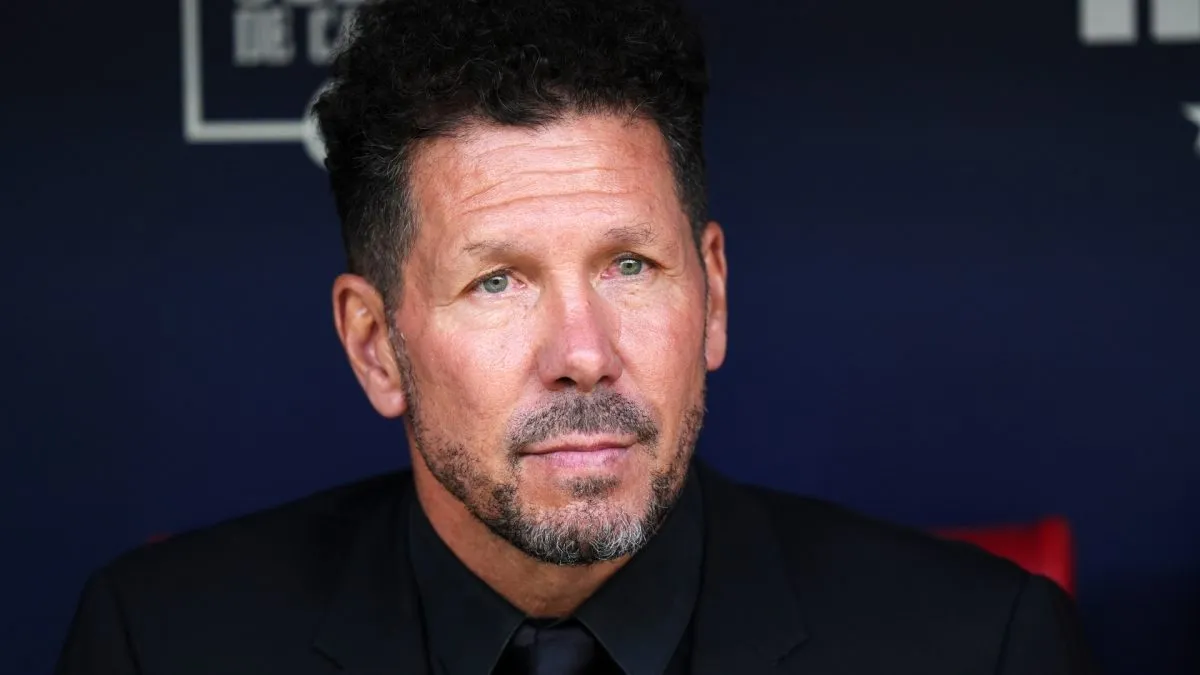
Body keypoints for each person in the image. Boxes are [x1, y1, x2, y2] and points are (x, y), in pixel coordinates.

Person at [57, 0, 1096, 673]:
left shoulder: (979, 648)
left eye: (629, 265)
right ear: (375, 344)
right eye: (499, 281)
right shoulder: (163, 644)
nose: (584, 350)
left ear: (715, 296)